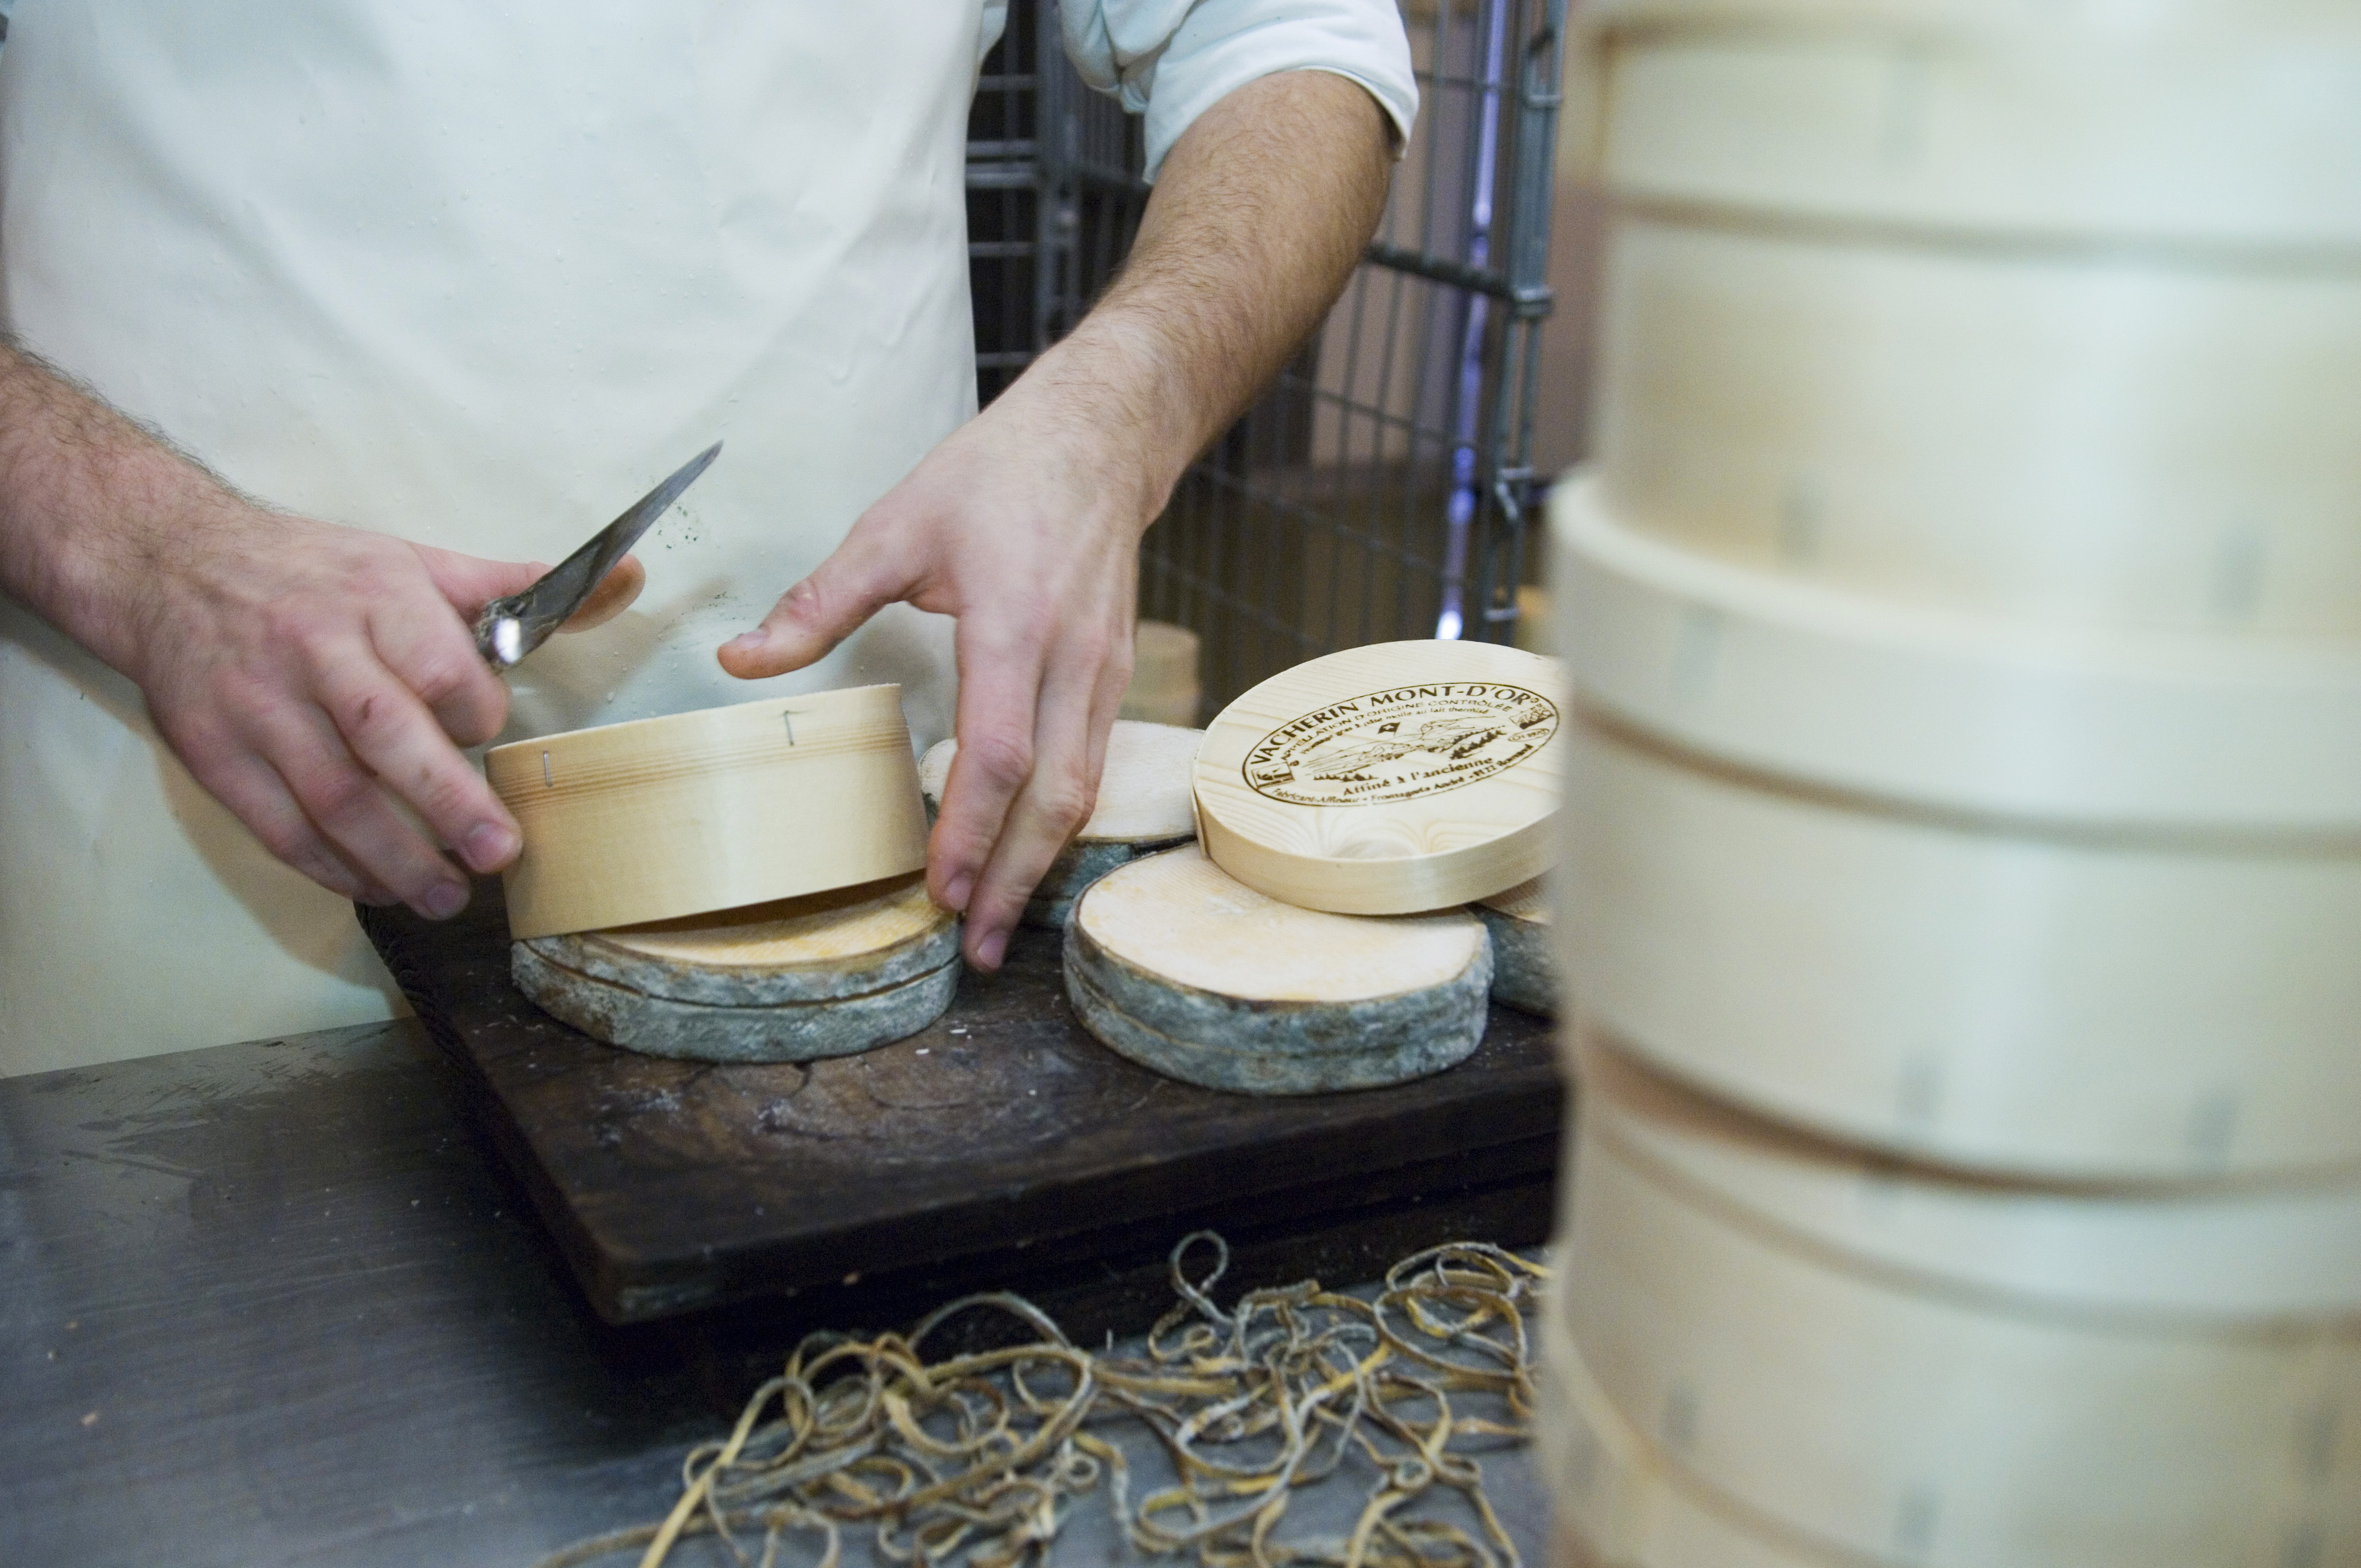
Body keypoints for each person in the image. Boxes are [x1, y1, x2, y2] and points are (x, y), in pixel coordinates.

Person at [0, 1, 1417, 1076]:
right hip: (194, 881)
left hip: (868, 881)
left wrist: (1118, 412)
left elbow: (1285, 38)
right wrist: (143, 549)